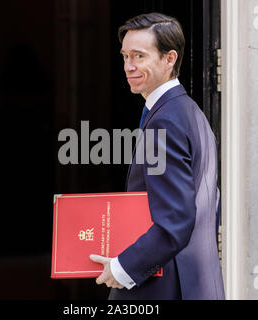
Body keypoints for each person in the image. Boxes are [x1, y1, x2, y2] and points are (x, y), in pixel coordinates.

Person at [90, 12, 225, 300]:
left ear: (169, 58)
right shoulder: (190, 112)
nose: (129, 66)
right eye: (125, 56)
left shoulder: (166, 120)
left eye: (139, 56)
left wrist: (123, 268)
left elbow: (176, 219)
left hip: (165, 287)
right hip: (195, 283)